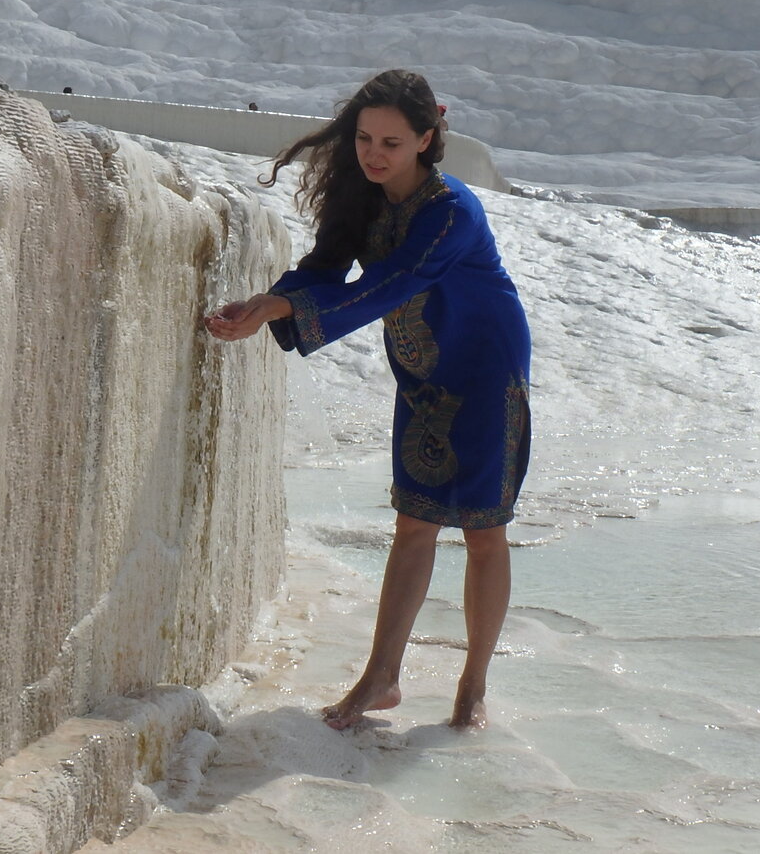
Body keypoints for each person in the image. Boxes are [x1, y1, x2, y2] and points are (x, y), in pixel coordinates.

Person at [204, 69, 531, 730]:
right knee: (414, 521)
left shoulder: (452, 210)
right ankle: (381, 678)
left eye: (391, 141)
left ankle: (473, 687)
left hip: (485, 369)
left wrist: (281, 307)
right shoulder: (365, 195)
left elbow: (389, 285)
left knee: (481, 529)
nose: (374, 154)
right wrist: (272, 300)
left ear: (426, 140)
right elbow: (326, 269)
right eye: (364, 139)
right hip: (422, 368)